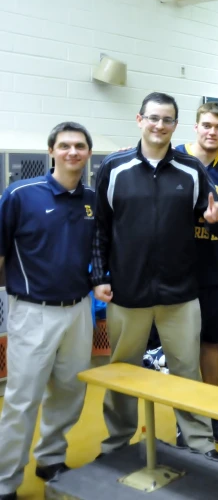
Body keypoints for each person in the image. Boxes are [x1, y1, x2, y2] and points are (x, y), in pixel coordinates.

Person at [91, 92, 218, 462]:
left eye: (167, 120)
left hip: (181, 294)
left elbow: (212, 219)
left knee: (187, 372)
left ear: (175, 125)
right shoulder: (114, 167)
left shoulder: (191, 169)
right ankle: (117, 445)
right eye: (153, 118)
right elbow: (100, 227)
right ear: (140, 120)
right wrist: (100, 275)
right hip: (127, 293)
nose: (159, 126)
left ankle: (200, 443)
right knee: (122, 375)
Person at [0, 122, 96, 500]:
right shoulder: (20, 195)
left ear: (88, 153)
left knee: (70, 392)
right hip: (32, 311)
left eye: (80, 146)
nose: (73, 152)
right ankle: (6, 481)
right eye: (65, 146)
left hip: (79, 310)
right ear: (51, 151)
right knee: (23, 399)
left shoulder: (91, 199)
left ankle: (51, 458)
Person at [173, 101, 218, 444]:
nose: (212, 132)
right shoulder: (174, 157)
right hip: (179, 265)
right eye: (206, 125)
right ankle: (186, 416)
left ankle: (213, 411)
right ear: (195, 126)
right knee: (181, 347)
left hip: (216, 263)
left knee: (211, 342)